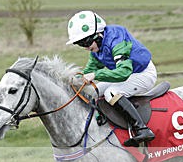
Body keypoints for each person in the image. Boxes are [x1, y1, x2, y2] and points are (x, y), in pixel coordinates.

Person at [66, 10, 156, 146]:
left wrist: (97, 75)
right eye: (80, 44)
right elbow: (88, 72)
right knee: (93, 91)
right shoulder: (97, 48)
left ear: (97, 35)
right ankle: (102, 118)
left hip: (143, 74)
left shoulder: (116, 39)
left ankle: (142, 128)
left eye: (86, 43)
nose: (85, 47)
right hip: (128, 76)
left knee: (111, 92)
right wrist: (73, 80)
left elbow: (123, 72)